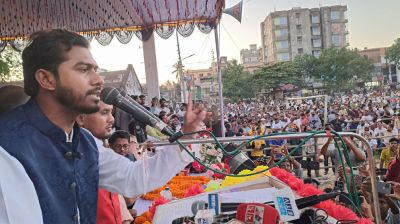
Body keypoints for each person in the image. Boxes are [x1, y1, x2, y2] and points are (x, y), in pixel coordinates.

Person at [0, 29, 207, 223]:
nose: (99, 80)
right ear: (46, 79)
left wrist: (186, 136)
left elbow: (132, 178)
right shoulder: (8, 148)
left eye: (96, 70)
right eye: (83, 70)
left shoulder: (85, 141)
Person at [76, 101, 133, 224]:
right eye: (104, 112)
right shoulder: (76, 160)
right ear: (81, 118)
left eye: (111, 112)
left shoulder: (103, 153)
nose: (112, 119)